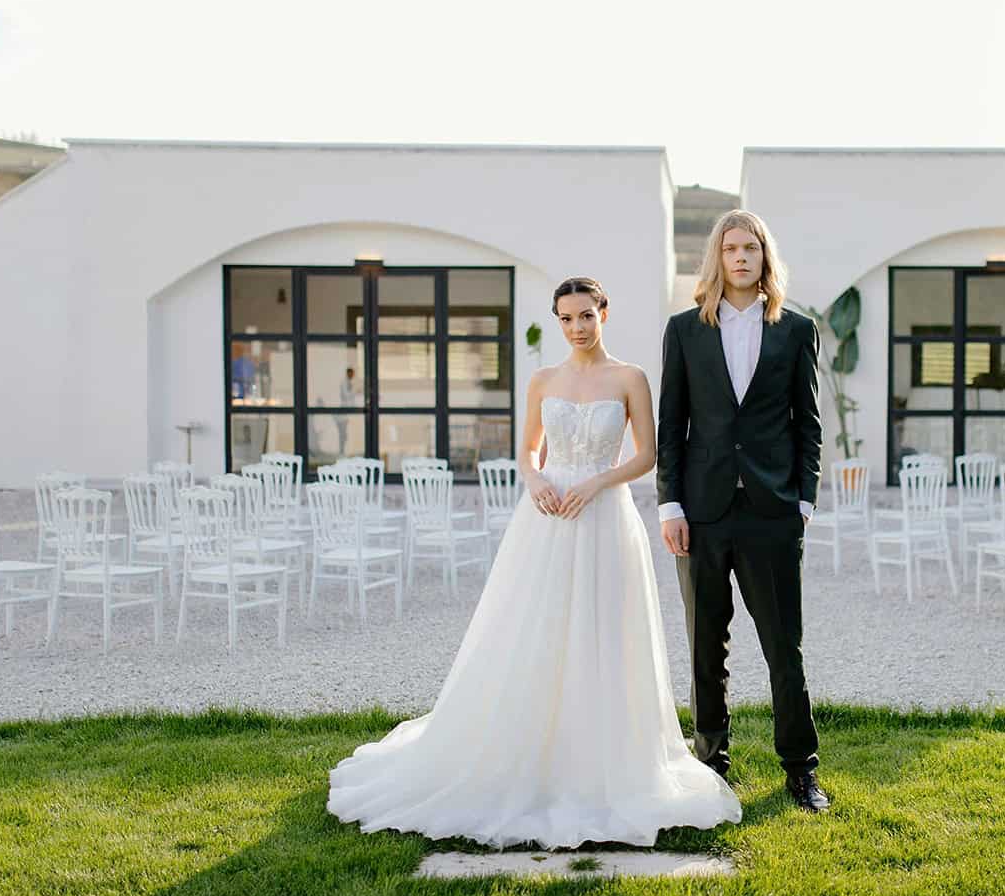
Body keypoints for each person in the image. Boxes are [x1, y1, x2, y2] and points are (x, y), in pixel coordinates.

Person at [328, 277, 741, 848]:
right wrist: (536, 477)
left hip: (604, 515)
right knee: (535, 627)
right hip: (547, 517)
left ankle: (604, 760)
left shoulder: (630, 378)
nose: (577, 327)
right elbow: (526, 449)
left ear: (604, 313)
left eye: (586, 316)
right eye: (566, 318)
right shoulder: (544, 379)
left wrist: (596, 481)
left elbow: (647, 455)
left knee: (604, 630)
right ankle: (529, 750)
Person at [657, 209, 830, 812]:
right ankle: (712, 766)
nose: (740, 257)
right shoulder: (684, 330)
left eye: (750, 247)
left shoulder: (796, 329)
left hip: (771, 512)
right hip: (701, 512)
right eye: (730, 248)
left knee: (784, 646)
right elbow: (671, 423)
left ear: (764, 257)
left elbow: (808, 423)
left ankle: (801, 770)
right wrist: (669, 504)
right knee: (706, 648)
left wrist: (803, 500)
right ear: (717, 257)